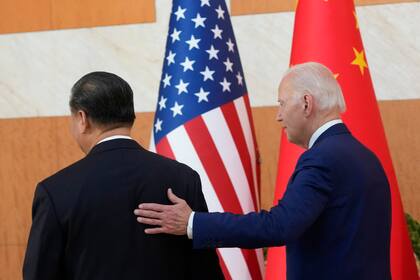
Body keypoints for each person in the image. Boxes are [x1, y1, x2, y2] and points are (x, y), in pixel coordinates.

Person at [134, 62, 392, 280]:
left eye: (281, 103)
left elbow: (279, 226)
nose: (278, 116)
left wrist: (192, 222)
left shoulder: (323, 159)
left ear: (306, 103)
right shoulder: (365, 156)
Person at [23, 72, 223, 280]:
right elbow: (205, 270)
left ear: (82, 119)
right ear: (130, 115)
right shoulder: (184, 178)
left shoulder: (56, 191)